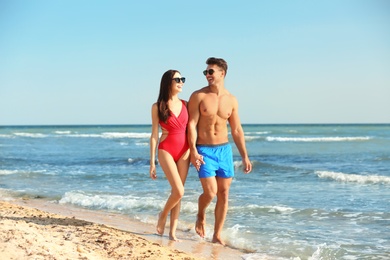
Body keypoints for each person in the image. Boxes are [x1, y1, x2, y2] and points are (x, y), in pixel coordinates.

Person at [187, 57, 252, 245]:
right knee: (211, 192)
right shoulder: (198, 96)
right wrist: (193, 150)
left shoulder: (231, 100)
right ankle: (200, 216)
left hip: (224, 150)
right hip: (204, 150)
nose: (207, 75)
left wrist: (245, 156)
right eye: (205, 72)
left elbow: (237, 130)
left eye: (210, 72)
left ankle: (217, 234)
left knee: (224, 193)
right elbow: (191, 124)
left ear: (222, 73)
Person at [149, 69, 190, 241]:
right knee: (179, 191)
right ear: (168, 83)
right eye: (177, 79)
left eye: (182, 79)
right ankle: (162, 215)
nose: (181, 82)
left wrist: (195, 152)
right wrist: (152, 162)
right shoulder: (158, 106)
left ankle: (172, 232)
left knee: (177, 192)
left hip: (185, 151)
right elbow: (153, 135)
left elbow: (193, 130)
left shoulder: (187, 104)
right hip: (166, 149)